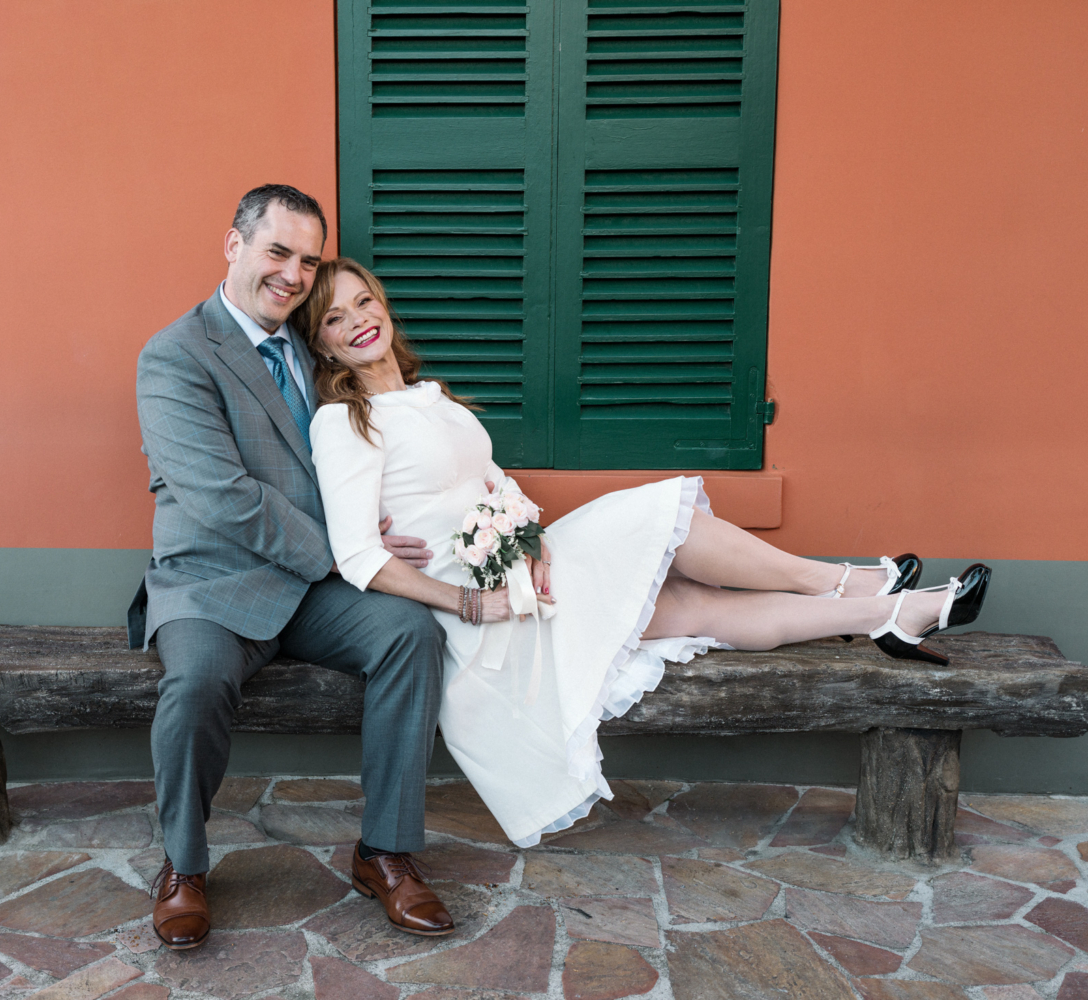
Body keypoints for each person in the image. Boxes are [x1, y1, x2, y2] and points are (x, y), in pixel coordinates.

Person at [295, 257, 993, 849]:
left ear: (383, 305)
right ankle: (860, 585)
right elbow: (357, 554)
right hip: (483, 623)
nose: (359, 319)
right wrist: (471, 601)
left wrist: (529, 537)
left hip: (526, 577)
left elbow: (497, 484)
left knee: (696, 605)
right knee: (675, 534)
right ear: (323, 345)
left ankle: (888, 611)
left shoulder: (433, 399)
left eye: (364, 301)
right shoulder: (342, 422)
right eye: (335, 318)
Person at [132, 187, 457, 950]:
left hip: (314, 586)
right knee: (198, 680)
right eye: (278, 251)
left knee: (410, 632)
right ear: (234, 245)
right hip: (213, 580)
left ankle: (384, 852)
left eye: (308, 261)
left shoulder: (318, 348)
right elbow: (224, 498)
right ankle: (183, 866)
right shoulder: (175, 354)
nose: (294, 274)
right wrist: (348, 553)